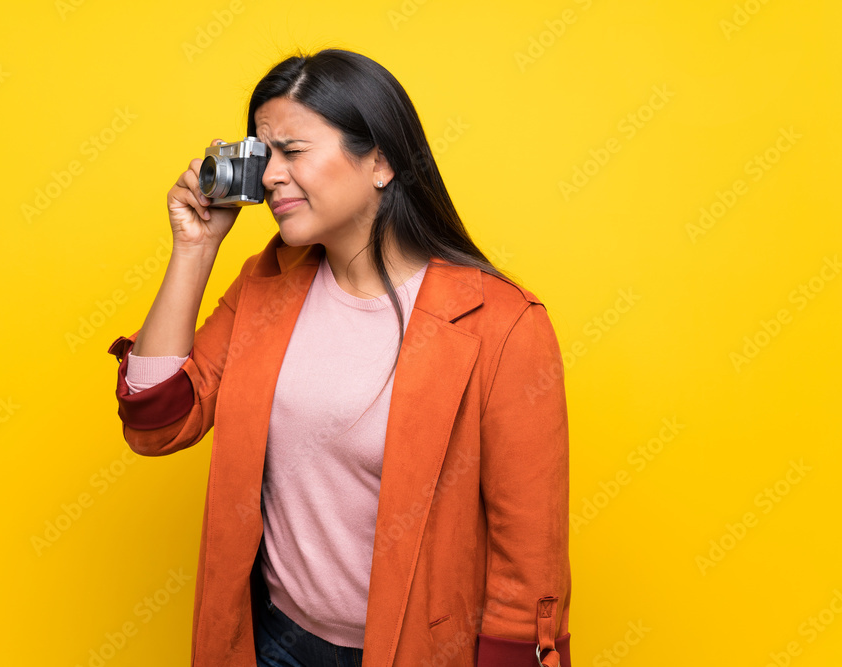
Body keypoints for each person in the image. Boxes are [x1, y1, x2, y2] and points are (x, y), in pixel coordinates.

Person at [107, 48, 571, 667]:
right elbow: (156, 424)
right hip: (273, 639)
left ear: (379, 161)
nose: (271, 176)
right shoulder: (265, 285)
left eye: (293, 152)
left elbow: (528, 555)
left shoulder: (502, 324)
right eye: (263, 155)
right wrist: (194, 250)